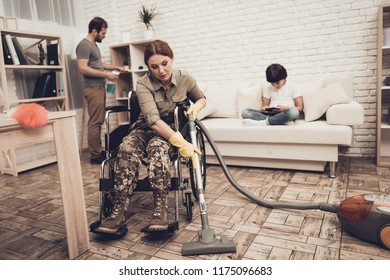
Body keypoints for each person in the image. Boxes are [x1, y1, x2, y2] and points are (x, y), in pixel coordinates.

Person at [95, 40, 206, 234]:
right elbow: (153, 121)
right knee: (126, 148)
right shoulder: (143, 84)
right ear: (148, 67)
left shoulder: (185, 78)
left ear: (172, 59)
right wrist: (181, 143)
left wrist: (197, 106)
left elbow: (201, 97)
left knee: (158, 147)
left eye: (165, 63)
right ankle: (118, 211)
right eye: (154, 67)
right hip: (146, 127)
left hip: (172, 128)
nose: (161, 70)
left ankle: (160, 211)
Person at [76, 17, 124, 164]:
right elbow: (83, 68)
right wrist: (106, 75)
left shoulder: (93, 45)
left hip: (98, 87)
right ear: (94, 31)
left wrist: (115, 67)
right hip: (92, 88)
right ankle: (95, 155)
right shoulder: (84, 45)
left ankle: (97, 150)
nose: (104, 35)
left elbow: (97, 64)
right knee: (95, 122)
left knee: (98, 120)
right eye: (103, 33)